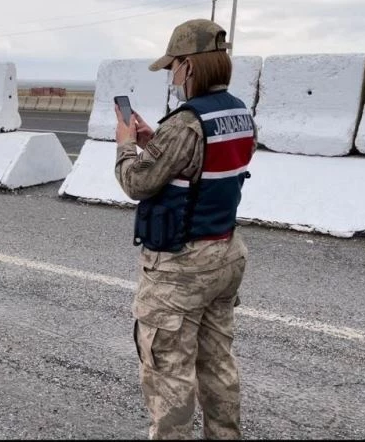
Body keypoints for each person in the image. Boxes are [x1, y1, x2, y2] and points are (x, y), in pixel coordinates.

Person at [114, 18, 257, 440]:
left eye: (173, 65)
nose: (171, 75)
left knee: (168, 371)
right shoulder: (238, 113)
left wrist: (125, 143)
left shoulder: (186, 122)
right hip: (226, 253)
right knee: (216, 361)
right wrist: (153, 139)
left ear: (189, 67)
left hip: (182, 265)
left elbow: (137, 182)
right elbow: (200, 164)